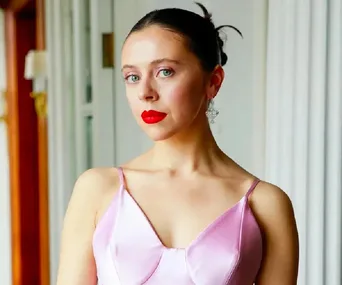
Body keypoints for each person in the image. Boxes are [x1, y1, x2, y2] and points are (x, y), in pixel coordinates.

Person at [56, 3, 299, 285]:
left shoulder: (265, 205)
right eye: (132, 77)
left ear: (214, 82)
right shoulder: (98, 189)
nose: (145, 92)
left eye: (165, 72)